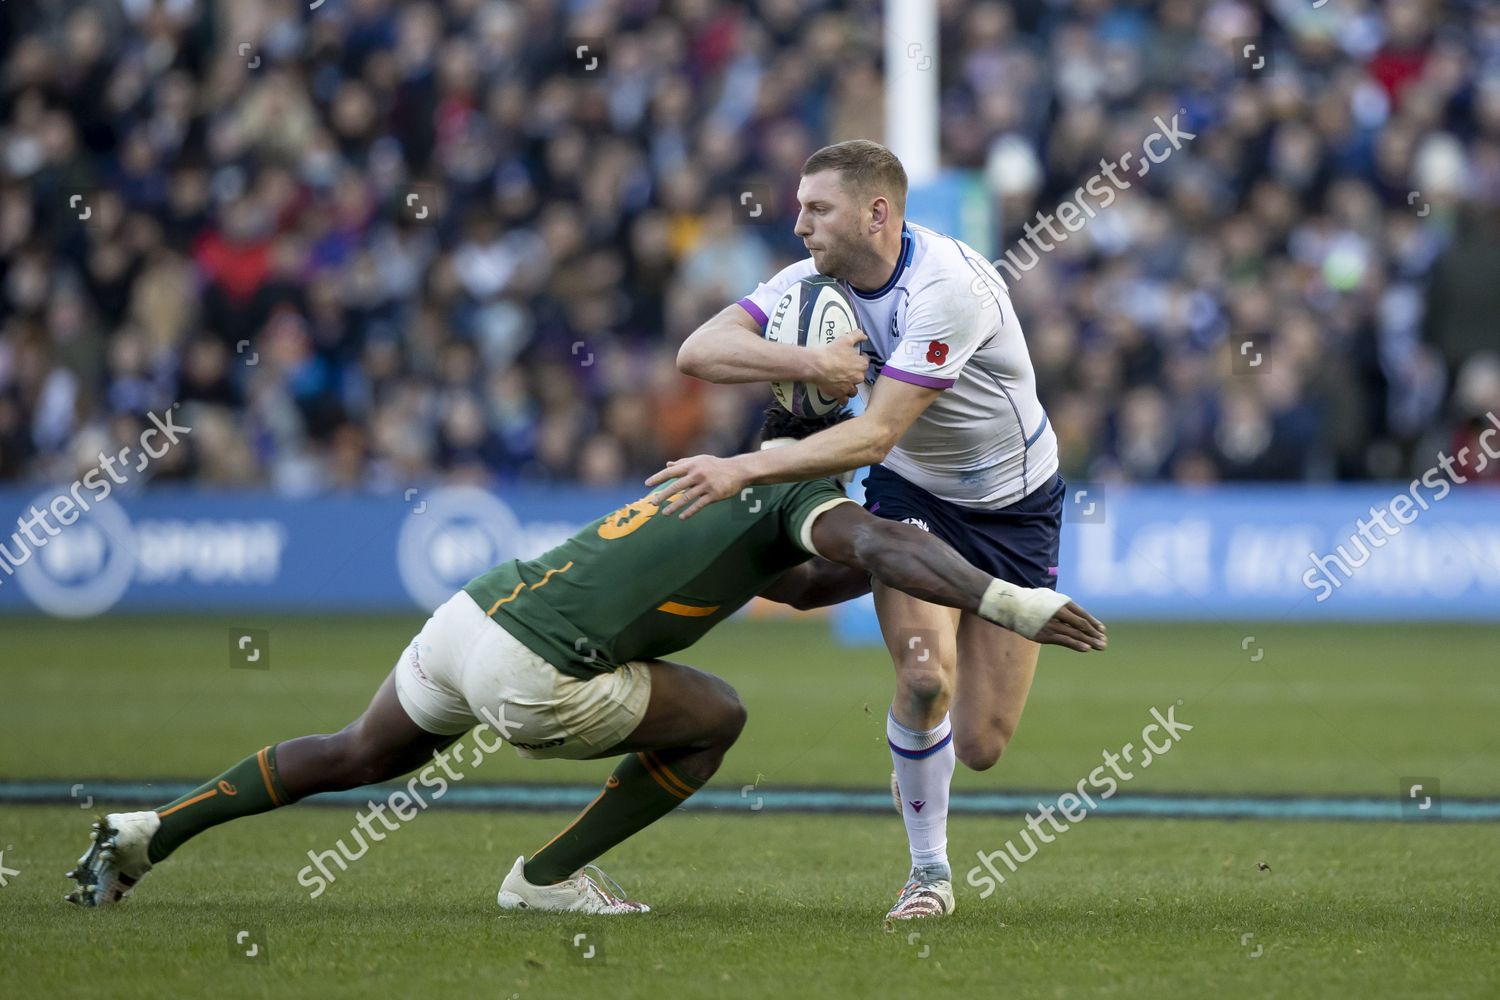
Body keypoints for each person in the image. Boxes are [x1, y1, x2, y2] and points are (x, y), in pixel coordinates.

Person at [66, 406, 1105, 913]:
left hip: (468, 618)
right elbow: (873, 543)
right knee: (718, 717)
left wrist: (914, 570)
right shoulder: (802, 492)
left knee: (352, 752)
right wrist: (1002, 590)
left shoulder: (722, 479)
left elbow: (792, 581)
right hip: (537, 668)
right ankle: (548, 876)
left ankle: (151, 831)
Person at [660, 139, 1066, 924]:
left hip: (1016, 508)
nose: (798, 224)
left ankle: (915, 747)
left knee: (980, 743)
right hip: (913, 493)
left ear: (876, 213)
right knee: (923, 679)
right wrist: (810, 365)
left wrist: (743, 468)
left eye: (817, 209)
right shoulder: (814, 281)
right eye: (800, 206)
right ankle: (929, 875)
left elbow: (874, 433)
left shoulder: (946, 289)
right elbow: (697, 350)